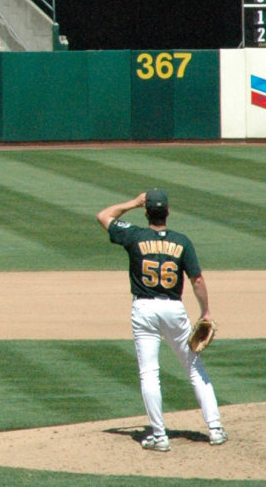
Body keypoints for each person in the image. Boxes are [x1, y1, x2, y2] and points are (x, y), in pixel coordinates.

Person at [96, 188, 227, 452]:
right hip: (174, 309)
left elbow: (104, 215)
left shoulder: (134, 236)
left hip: (144, 309)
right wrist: (206, 311)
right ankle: (215, 429)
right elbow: (197, 280)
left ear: (147, 213)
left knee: (149, 373)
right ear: (168, 212)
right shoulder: (182, 242)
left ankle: (159, 435)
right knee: (194, 368)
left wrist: (134, 202)